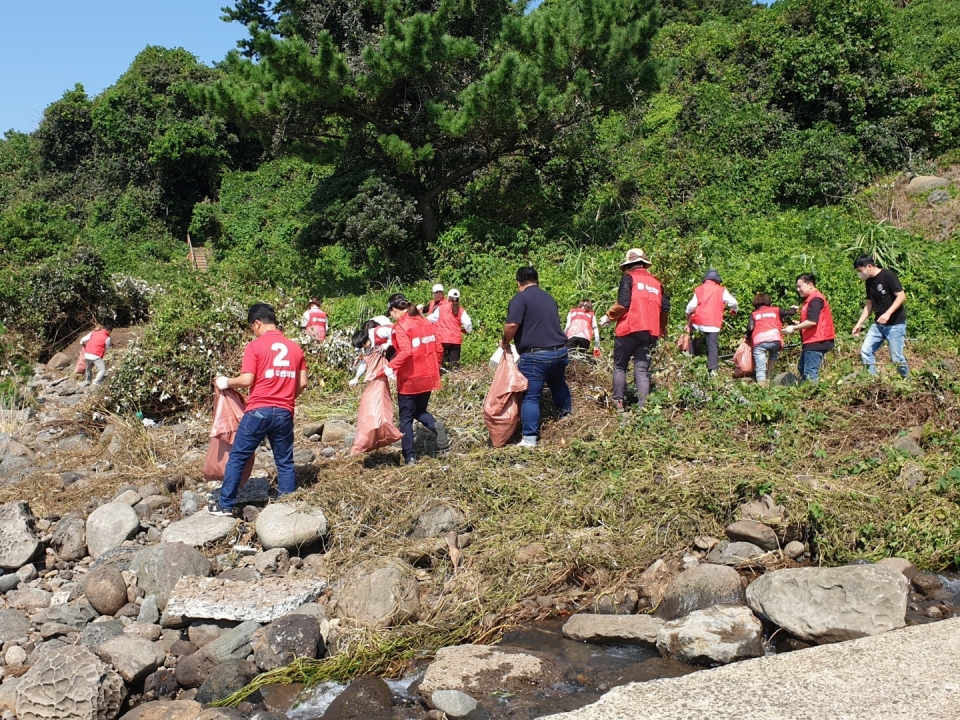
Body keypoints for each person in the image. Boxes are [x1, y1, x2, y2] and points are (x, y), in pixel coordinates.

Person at [210, 303, 307, 516]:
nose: (253, 331)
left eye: (252, 327)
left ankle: (225, 505)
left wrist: (226, 382)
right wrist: (286, 398)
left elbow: (247, 380)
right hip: (284, 412)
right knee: (284, 461)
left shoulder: (255, 346)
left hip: (258, 411)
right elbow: (302, 383)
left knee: (238, 457)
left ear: (257, 323)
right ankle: (288, 506)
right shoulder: (295, 348)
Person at [501, 267, 572, 448]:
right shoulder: (548, 297)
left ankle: (529, 438)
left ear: (519, 283)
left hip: (536, 357)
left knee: (531, 397)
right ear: (537, 280)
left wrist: (505, 342)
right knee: (558, 384)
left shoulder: (521, 298)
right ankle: (568, 418)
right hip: (560, 352)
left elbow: (512, 325)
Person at [599, 249, 669, 412]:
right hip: (650, 332)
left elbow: (623, 303)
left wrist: (608, 317)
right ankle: (643, 407)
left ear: (629, 265)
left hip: (629, 329)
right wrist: (662, 327)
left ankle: (618, 402)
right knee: (642, 369)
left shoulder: (629, 278)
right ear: (644, 264)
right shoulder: (657, 283)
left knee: (620, 365)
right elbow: (665, 308)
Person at [386, 294, 448, 465]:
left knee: (406, 417)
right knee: (419, 410)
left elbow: (406, 351)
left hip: (410, 379)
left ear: (395, 310)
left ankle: (410, 457)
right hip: (428, 376)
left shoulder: (402, 327)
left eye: (391, 313)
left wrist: (391, 366)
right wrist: (435, 366)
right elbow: (439, 348)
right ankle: (435, 425)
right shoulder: (426, 322)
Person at [852, 255, 908, 378]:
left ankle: (908, 382)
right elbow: (869, 305)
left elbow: (901, 296)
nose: (859, 274)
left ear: (869, 266)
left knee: (897, 358)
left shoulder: (888, 275)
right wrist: (859, 323)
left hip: (895, 325)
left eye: (860, 270)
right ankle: (874, 381)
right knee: (865, 351)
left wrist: (888, 313)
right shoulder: (869, 281)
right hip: (878, 324)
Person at [784, 273, 835, 382]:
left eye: (800, 286)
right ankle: (807, 391)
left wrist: (793, 328)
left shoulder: (815, 299)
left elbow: (812, 322)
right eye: (797, 287)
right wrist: (795, 323)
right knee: (802, 368)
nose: (798, 289)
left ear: (810, 285)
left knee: (810, 372)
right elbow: (811, 319)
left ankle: (814, 396)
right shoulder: (810, 300)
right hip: (811, 340)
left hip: (817, 340)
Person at [685, 269, 738, 375]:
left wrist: (687, 317)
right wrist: (734, 310)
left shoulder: (699, 289)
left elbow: (691, 306)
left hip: (698, 321)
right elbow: (733, 302)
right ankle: (713, 371)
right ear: (717, 280)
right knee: (713, 346)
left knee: (693, 340)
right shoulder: (721, 290)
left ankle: (689, 362)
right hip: (713, 323)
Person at [745, 293, 795, 385]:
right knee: (773, 353)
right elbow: (789, 313)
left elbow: (750, 328)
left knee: (760, 366)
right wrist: (793, 309)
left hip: (759, 340)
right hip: (775, 339)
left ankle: (761, 385)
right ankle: (769, 376)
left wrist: (747, 337)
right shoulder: (776, 310)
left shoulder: (754, 314)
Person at [427, 288, 473, 370]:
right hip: (455, 341)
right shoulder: (461, 310)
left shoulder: (441, 308)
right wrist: (466, 330)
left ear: (448, 298)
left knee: (438, 363)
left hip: (442, 339)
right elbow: (468, 323)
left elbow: (430, 319)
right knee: (454, 366)